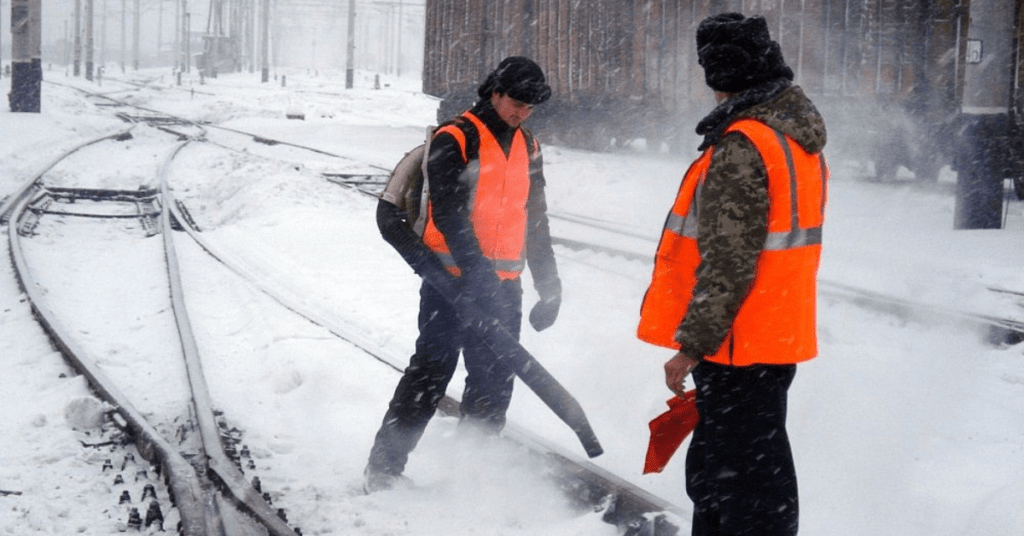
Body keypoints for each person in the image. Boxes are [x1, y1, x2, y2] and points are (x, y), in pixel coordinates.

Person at [636, 13, 828, 536]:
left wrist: (691, 346)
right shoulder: (794, 137)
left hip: (737, 345)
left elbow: (728, 262)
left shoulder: (744, 145)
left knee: (739, 491)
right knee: (744, 480)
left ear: (720, 76)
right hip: (774, 337)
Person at [365, 56, 562, 493]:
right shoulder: (455, 139)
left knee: (493, 384)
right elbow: (451, 216)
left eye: (531, 106)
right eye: (516, 101)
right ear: (495, 92)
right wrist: (474, 277)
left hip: (505, 289)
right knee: (430, 374)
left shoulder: (529, 146)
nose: (522, 112)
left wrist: (550, 285)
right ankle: (383, 469)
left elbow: (537, 219)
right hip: (449, 287)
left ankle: (472, 480)